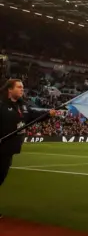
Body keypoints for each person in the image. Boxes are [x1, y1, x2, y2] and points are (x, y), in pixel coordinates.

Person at [0, 79, 55, 218]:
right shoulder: (1, 105)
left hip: (8, 150)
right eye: (19, 87)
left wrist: (48, 113)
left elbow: (33, 115)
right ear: (9, 89)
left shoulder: (22, 106)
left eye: (23, 87)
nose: (22, 89)